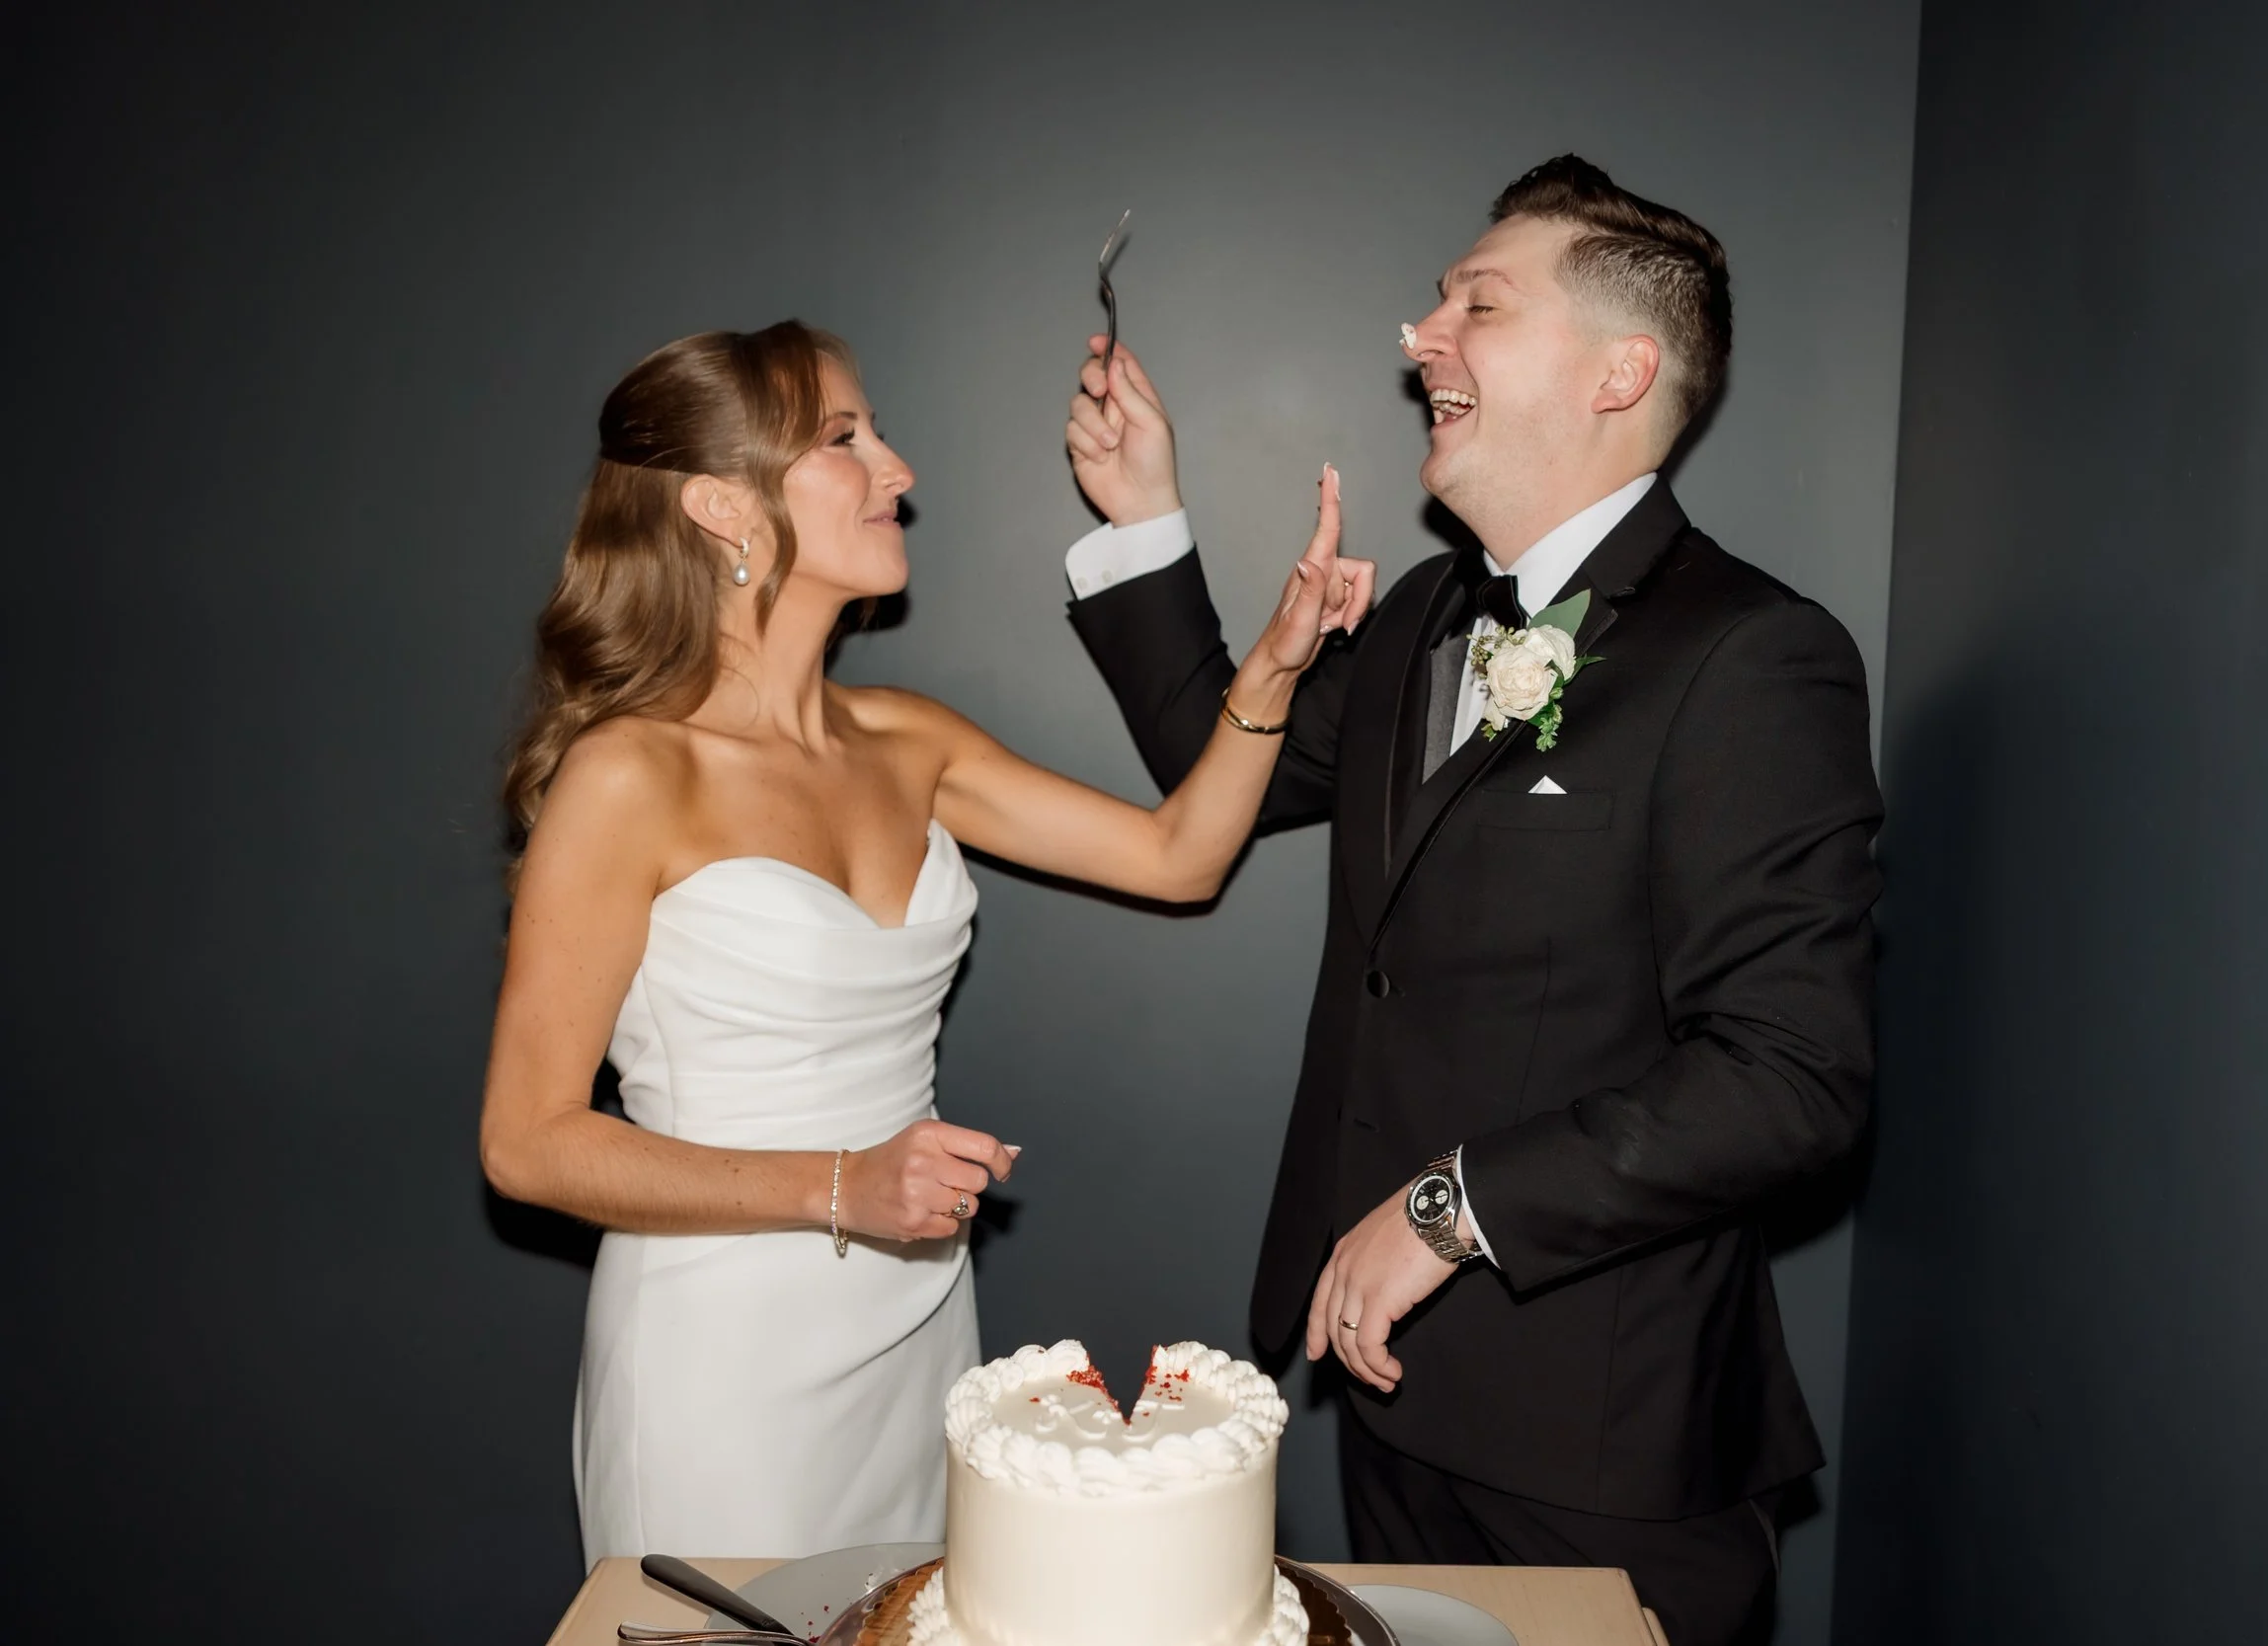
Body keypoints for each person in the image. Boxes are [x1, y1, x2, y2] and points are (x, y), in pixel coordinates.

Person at [1058, 157, 1883, 1643]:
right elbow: (1214, 769)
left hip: (1608, 1441)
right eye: (1436, 301)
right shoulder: (1421, 620)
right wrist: (1143, 518)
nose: (1419, 333)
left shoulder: (1754, 655)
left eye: (1477, 305)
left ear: (1619, 372)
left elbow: (1792, 1077)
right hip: (1388, 1397)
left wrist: (1450, 1211)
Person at [478, 321, 1369, 1564]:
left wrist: (1272, 668)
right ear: (721, 506)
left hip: (918, 1325)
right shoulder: (628, 774)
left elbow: (1180, 856)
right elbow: (526, 1143)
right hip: (719, 1352)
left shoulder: (908, 738)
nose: (897, 470)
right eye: (843, 439)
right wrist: (844, 1185)